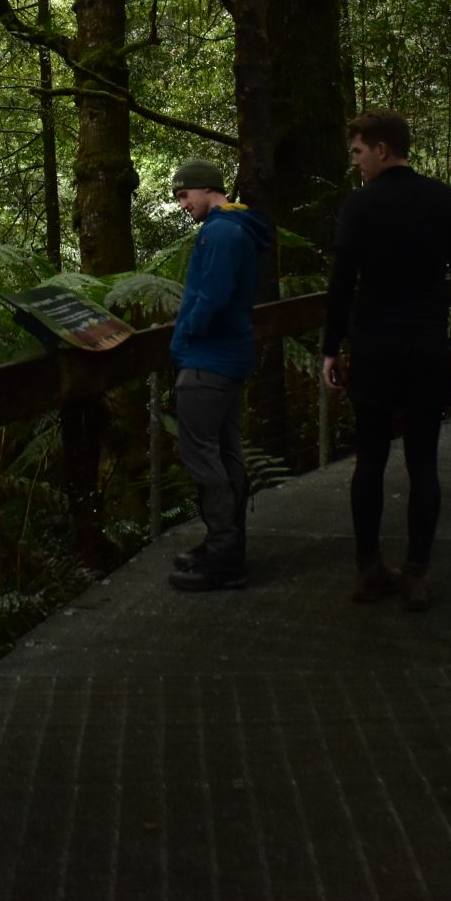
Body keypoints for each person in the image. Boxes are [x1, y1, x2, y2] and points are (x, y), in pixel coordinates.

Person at [321, 110, 451, 611]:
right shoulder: (448, 202)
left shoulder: (360, 207)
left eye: (359, 152)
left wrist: (330, 347)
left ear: (382, 149)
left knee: (370, 460)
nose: (357, 163)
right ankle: (416, 574)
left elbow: (342, 284)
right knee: (423, 461)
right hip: (427, 349)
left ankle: (369, 569)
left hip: (374, 350)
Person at [165, 156, 271, 591]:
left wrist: (185, 335)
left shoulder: (223, 232)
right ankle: (224, 547)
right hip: (225, 358)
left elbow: (212, 296)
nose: (182, 204)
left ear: (207, 188)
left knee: (203, 457)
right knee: (224, 453)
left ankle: (225, 558)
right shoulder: (233, 227)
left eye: (184, 194)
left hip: (209, 361)